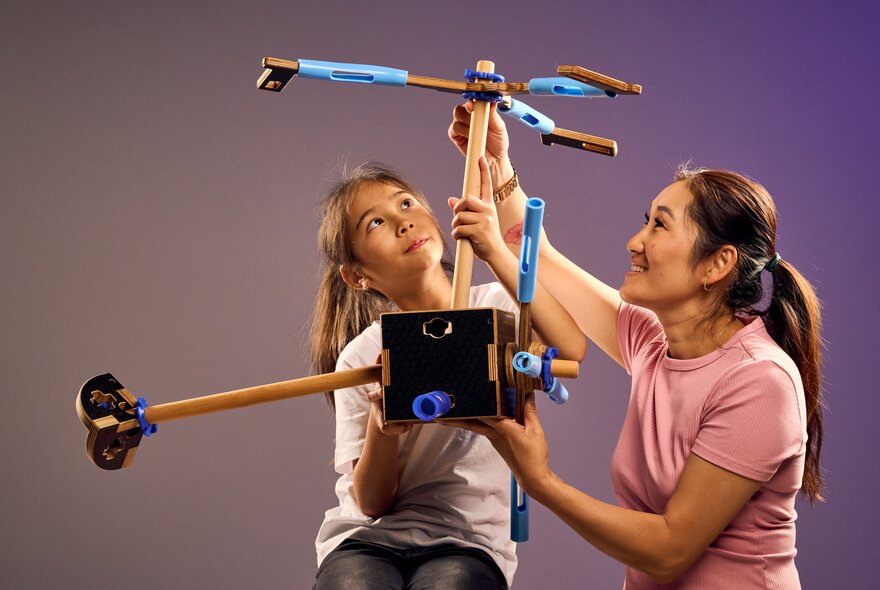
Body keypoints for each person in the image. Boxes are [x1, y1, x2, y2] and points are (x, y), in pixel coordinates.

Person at [446, 102, 824, 588]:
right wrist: (498, 167)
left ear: (717, 264)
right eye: (646, 221)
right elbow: (537, 256)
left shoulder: (760, 381)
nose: (634, 240)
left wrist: (540, 480)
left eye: (659, 225)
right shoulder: (654, 341)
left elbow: (668, 550)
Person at [309, 160, 586, 589]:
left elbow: (572, 350)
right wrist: (383, 429)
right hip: (368, 540)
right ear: (356, 275)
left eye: (406, 203)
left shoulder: (500, 306)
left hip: (470, 542)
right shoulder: (362, 355)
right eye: (376, 222)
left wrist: (494, 248)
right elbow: (371, 502)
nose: (403, 221)